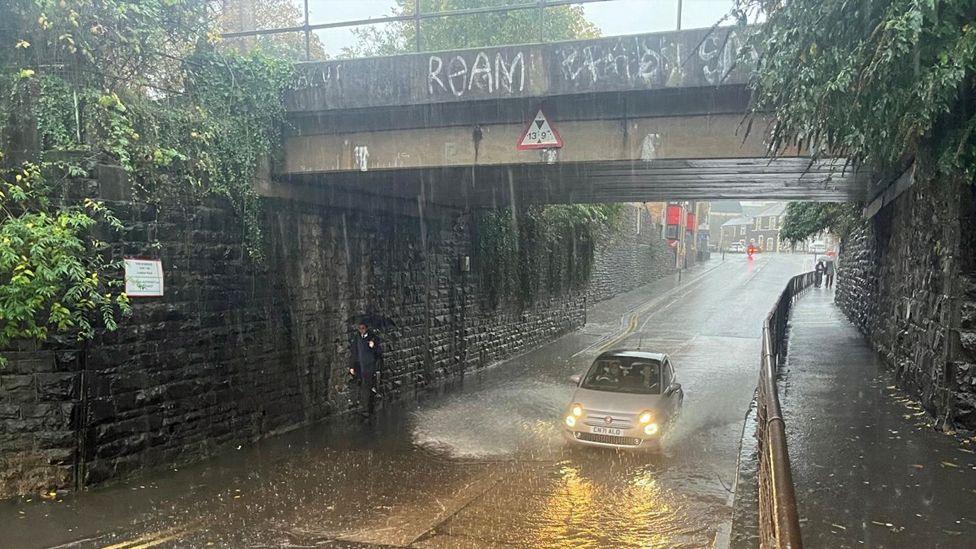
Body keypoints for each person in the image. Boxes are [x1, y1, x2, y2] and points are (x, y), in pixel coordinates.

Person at [350, 322, 382, 416]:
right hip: (360, 366)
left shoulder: (373, 338)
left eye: (363, 328)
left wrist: (373, 346)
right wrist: (352, 366)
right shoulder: (357, 338)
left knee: (366, 386)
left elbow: (379, 352)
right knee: (363, 386)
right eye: (359, 328)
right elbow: (354, 352)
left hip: (369, 366)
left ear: (366, 328)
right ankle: (370, 404)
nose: (361, 330)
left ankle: (366, 410)